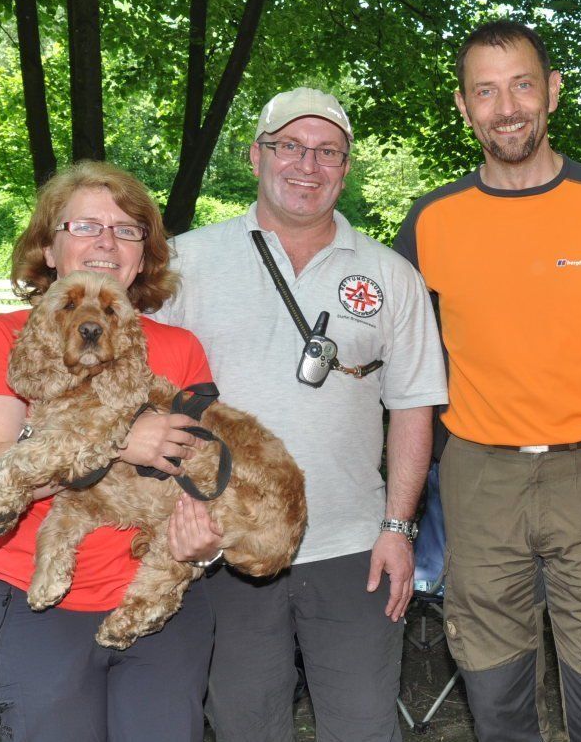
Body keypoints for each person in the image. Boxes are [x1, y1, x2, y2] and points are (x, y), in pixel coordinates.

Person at [395, 19, 581, 742]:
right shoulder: (431, 221)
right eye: (485, 91)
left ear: (552, 91)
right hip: (476, 477)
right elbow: (401, 354)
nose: (506, 108)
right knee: (494, 691)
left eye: (522, 85)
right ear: (463, 106)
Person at [153, 87, 447, 741]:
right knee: (245, 725)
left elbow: (413, 409)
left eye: (327, 152)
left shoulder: (391, 275)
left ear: (346, 168)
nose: (307, 165)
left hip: (354, 548)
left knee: (364, 726)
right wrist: (177, 516)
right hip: (224, 545)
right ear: (256, 155)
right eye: (289, 146)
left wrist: (398, 527)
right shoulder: (183, 264)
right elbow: (143, 396)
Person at [0, 161, 225, 742]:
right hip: (42, 607)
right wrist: (121, 441)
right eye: (85, 226)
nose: (106, 242)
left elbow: (204, 479)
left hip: (161, 605)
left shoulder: (180, 348)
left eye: (126, 230)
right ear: (48, 249)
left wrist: (205, 545)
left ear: (142, 257)